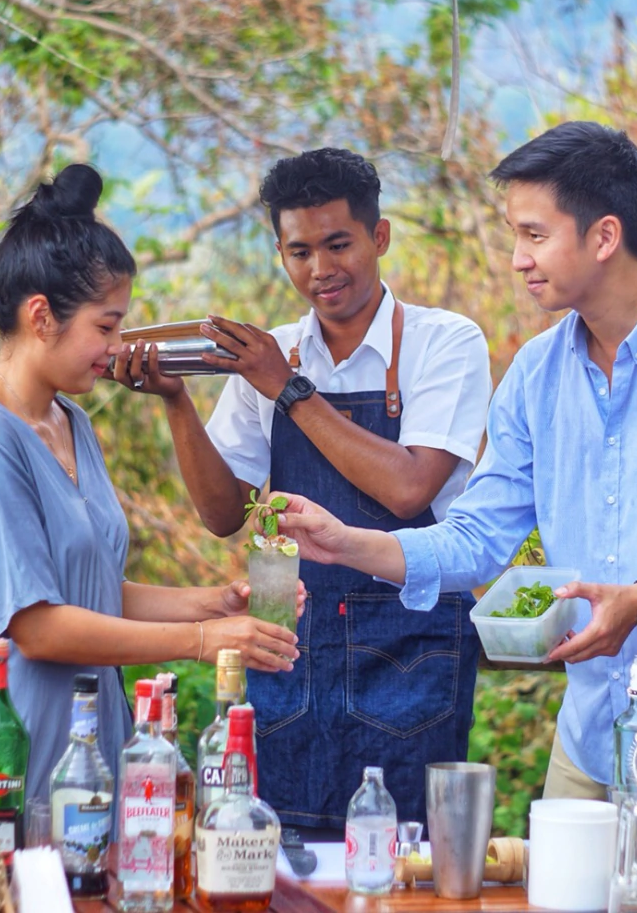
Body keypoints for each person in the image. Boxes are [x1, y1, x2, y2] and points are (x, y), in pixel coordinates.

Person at [275, 123, 637, 800]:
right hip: (590, 739)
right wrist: (348, 543)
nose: (516, 258)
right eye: (516, 235)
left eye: (534, 236)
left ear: (603, 237)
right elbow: (477, 540)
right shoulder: (535, 376)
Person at [113, 148, 492, 836]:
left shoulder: (445, 342)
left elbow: (411, 489)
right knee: (278, 856)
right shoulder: (272, 352)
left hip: (411, 654)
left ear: (379, 238)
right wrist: (175, 403)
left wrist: (286, 389)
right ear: (280, 253)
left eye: (339, 244)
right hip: (291, 646)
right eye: (300, 251)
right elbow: (224, 514)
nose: (321, 270)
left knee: (402, 864)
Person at [0, 164, 304, 801]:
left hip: (88, 730)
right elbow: (38, 626)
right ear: (41, 316)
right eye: (106, 327)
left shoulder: (70, 420)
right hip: (13, 735)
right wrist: (200, 640)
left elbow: (93, 589)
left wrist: (213, 603)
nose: (118, 345)